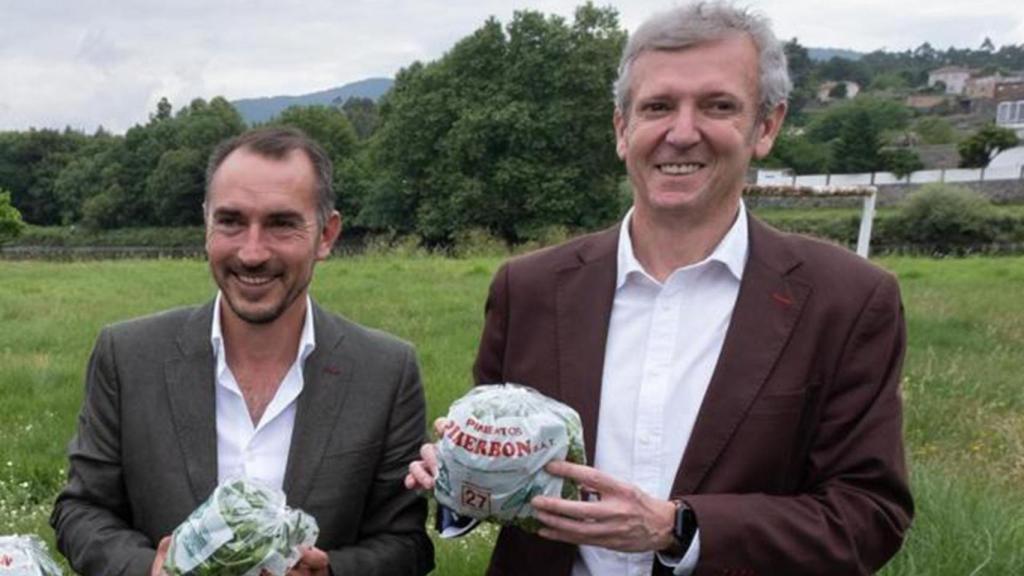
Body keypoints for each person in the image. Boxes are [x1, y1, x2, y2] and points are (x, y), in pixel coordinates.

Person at [405, 2, 913, 575]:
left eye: (719, 106)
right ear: (624, 129)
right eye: (658, 107)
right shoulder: (529, 288)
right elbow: (510, 479)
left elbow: (868, 514)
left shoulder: (846, 300)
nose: (682, 132)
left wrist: (680, 530)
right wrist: (461, 474)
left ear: (765, 126)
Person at [51, 127, 434, 576]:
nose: (252, 253)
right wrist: (148, 571)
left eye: (281, 223)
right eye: (231, 221)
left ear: (326, 235)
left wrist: (330, 571)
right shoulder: (128, 355)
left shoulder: (386, 371)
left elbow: (406, 543)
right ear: (207, 224)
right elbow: (81, 511)